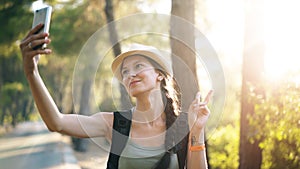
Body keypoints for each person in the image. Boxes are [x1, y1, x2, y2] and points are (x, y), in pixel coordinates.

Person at [20, 23, 213, 169]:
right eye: (125, 72)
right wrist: (32, 72)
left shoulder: (182, 125)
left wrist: (196, 130)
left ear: (159, 75)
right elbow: (57, 123)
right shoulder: (114, 124)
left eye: (138, 66)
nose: (130, 75)